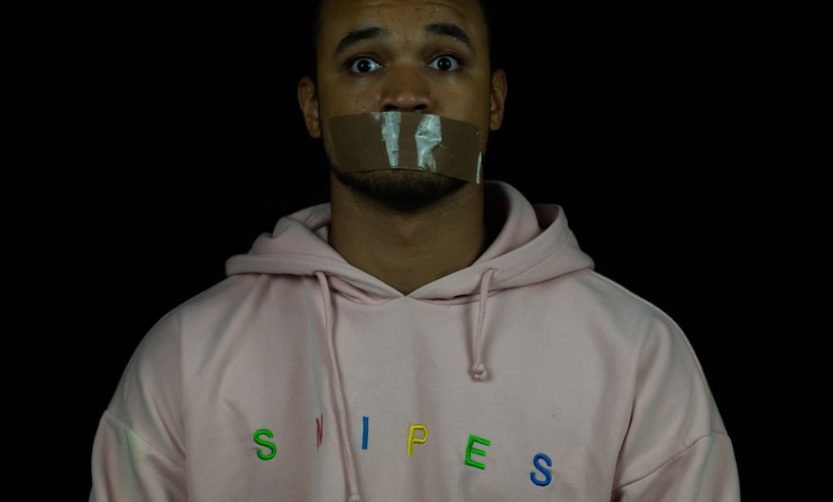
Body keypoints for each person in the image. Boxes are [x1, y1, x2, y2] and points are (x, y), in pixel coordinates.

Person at [88, 0, 740, 500]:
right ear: (313, 108)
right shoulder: (188, 354)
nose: (404, 95)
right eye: (364, 64)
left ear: (494, 100)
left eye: (445, 61)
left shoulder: (636, 354)